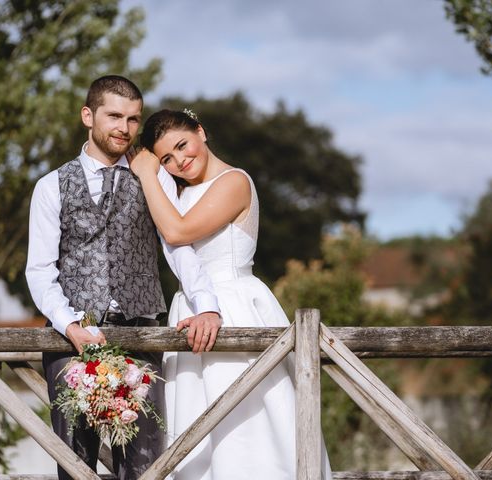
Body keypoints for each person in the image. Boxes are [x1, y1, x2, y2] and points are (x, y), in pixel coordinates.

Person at [25, 76, 221, 480]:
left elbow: (177, 246)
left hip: (142, 337)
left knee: (147, 467)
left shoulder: (154, 177)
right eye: (114, 116)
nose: (125, 128)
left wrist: (208, 306)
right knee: (75, 465)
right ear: (88, 115)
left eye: (133, 119)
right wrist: (71, 325)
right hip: (71, 344)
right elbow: (40, 271)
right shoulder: (50, 187)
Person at [129, 109, 332, 479]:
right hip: (187, 307)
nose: (179, 161)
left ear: (201, 132)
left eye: (182, 145)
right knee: (194, 424)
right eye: (166, 159)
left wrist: (146, 172)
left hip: (234, 305)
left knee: (247, 418)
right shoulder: (175, 190)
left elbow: (178, 232)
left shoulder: (234, 181)